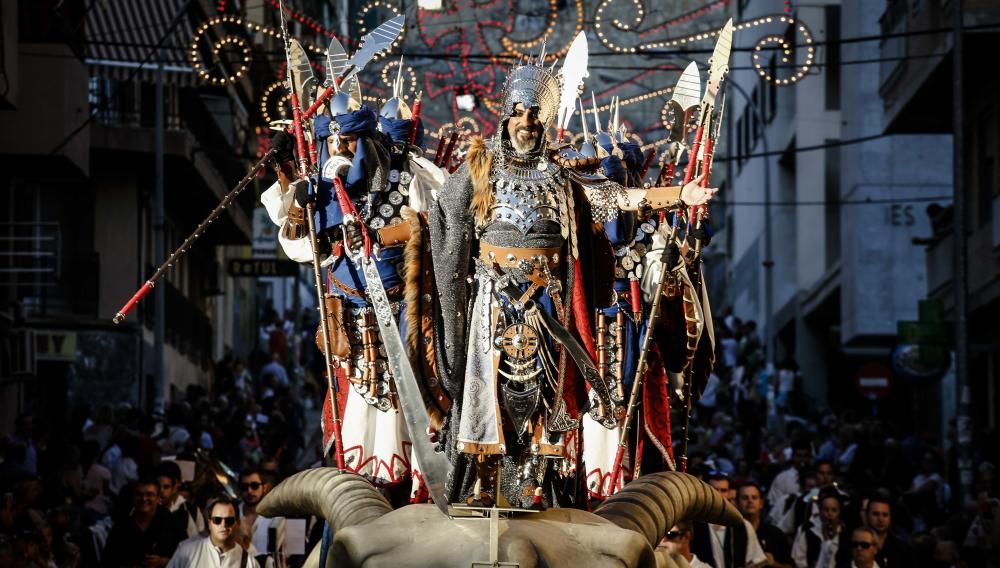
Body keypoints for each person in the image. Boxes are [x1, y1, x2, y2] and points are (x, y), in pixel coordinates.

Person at [430, 53, 715, 508]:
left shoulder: (563, 178)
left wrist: (680, 195)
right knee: (489, 386)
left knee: (546, 390)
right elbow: (445, 218)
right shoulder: (479, 171)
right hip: (493, 297)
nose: (527, 122)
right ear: (506, 117)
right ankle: (485, 474)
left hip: (547, 300)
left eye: (535, 115)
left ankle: (533, 476)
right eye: (520, 113)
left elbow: (619, 196)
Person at [101, 478, 185, 568]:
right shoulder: (122, 525)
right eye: (139, 494)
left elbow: (186, 557)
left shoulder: (171, 522)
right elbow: (107, 560)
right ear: (133, 497)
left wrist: (162, 562)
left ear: (158, 498)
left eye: (149, 495)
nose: (144, 499)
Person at [691, 473, 768, 567]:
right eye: (714, 489)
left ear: (729, 493)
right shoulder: (694, 523)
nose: (718, 494)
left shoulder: (742, 524)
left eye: (723, 490)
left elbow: (755, 561)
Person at [166, 497, 258, 567]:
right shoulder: (186, 553)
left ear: (237, 523)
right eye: (217, 520)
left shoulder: (249, 562)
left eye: (229, 520)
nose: (223, 524)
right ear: (209, 523)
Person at [737, 482, 792, 568]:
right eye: (745, 498)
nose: (750, 501)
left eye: (754, 497)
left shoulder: (775, 534)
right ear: (737, 503)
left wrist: (774, 564)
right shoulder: (731, 533)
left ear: (761, 503)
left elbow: (790, 566)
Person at [791, 490, 849, 568]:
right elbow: (798, 560)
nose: (830, 514)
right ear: (820, 510)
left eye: (834, 510)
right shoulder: (808, 531)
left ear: (840, 511)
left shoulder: (845, 533)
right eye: (826, 510)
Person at [156, 461, 205, 539]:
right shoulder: (150, 508)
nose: (161, 492)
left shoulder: (191, 510)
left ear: (176, 485)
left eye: (166, 487)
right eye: (158, 487)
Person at [864, 496, 912, 568]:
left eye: (885, 515)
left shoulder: (903, 549)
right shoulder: (856, 545)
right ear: (867, 516)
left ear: (890, 517)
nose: (880, 519)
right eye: (875, 514)